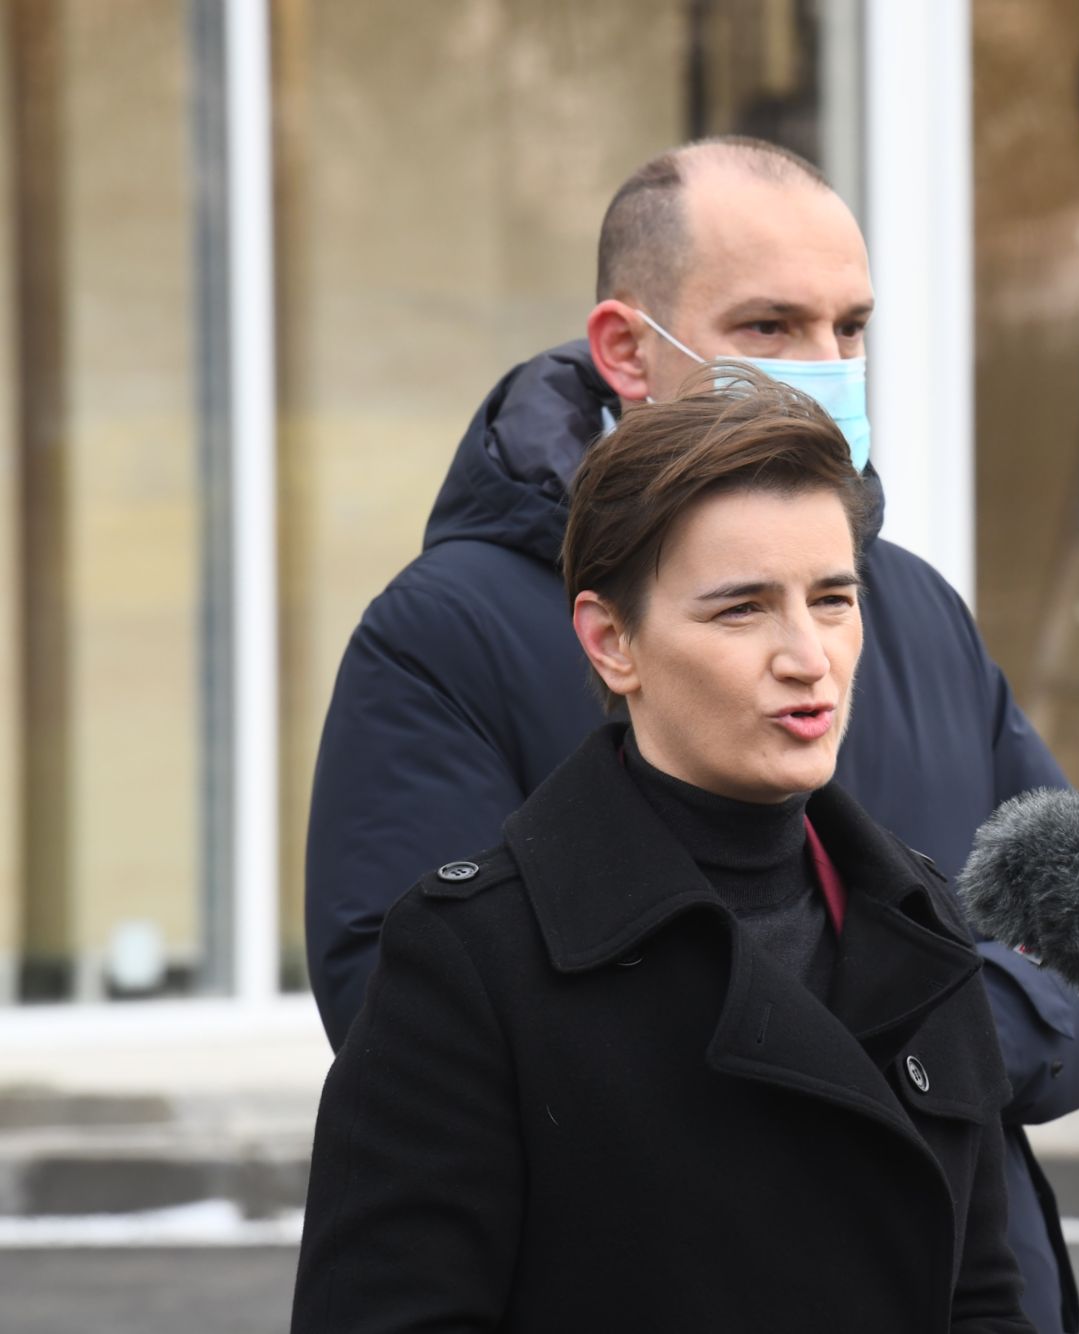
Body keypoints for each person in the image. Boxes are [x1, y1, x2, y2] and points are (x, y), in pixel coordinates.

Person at [304, 137, 1079, 1334]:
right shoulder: (446, 632)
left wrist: (922, 1051)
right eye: (770, 327)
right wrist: (815, 1073)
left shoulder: (909, 601)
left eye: (850, 327)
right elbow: (399, 1011)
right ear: (625, 350)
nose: (825, 368)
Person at [292, 369, 1033, 1332]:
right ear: (611, 641)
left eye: (834, 599)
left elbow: (980, 1301)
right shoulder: (471, 961)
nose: (808, 655)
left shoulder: (915, 921)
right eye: (742, 608)